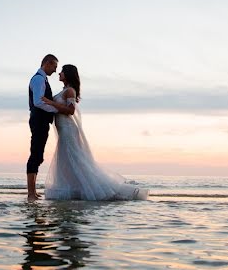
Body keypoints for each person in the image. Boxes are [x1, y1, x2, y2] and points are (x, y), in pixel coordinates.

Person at [41, 64, 148, 201]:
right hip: (62, 130)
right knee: (67, 161)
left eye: (62, 71)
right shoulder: (64, 91)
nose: (59, 73)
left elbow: (70, 110)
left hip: (68, 129)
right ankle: (75, 188)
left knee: (76, 159)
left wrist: (51, 103)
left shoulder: (70, 91)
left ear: (68, 74)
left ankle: (96, 189)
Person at [26, 54, 59, 200]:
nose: (55, 70)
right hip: (38, 120)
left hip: (40, 120)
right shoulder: (39, 79)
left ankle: (33, 191)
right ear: (47, 63)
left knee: (38, 155)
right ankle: (31, 193)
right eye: (54, 66)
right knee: (35, 154)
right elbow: (38, 102)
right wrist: (56, 109)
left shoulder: (42, 78)